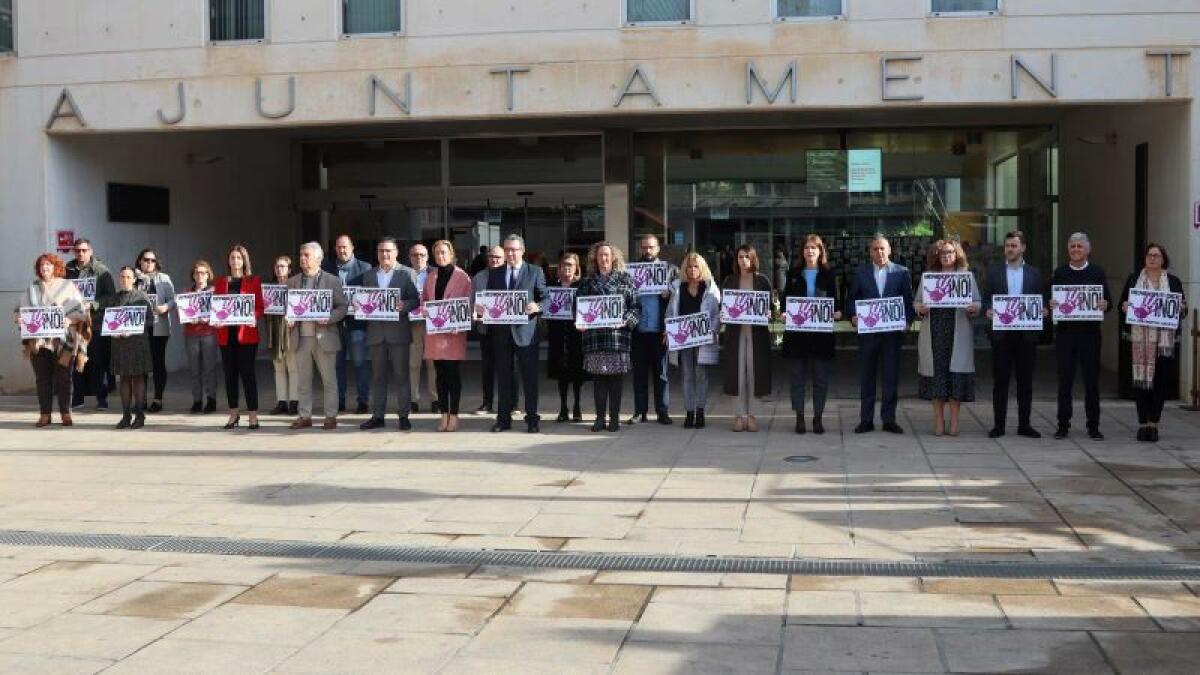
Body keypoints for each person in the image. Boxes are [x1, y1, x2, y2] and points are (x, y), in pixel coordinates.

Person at [846, 235, 916, 434]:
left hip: (892, 335)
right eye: (875, 249)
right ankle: (866, 420)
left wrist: (908, 321)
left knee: (890, 378)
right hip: (868, 335)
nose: (880, 252)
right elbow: (852, 299)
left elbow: (908, 302)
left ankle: (889, 420)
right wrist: (853, 316)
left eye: (883, 248)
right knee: (867, 378)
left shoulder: (902, 272)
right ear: (870, 252)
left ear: (890, 250)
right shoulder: (861, 273)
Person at [1120, 243, 1187, 443]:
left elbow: (1181, 308)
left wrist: (1181, 307)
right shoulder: (1134, 280)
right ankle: (1142, 424)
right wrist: (1124, 306)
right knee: (1141, 383)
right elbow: (1122, 304)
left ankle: (1154, 424)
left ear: (1163, 259)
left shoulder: (1173, 282)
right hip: (1140, 341)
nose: (1152, 258)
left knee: (1160, 383)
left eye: (1156, 255)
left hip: (1163, 342)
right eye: (1149, 255)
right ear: (1145, 258)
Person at [914, 240, 981, 436]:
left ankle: (954, 423)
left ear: (957, 254)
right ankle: (938, 423)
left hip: (957, 332)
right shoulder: (929, 277)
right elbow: (917, 302)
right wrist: (920, 309)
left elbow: (977, 301)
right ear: (936, 256)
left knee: (955, 377)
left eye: (950, 252)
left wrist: (974, 308)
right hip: (934, 333)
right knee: (938, 377)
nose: (946, 255)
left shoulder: (966, 277)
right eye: (942, 253)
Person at [1049, 232, 1112, 440]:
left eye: (1079, 246)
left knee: (1092, 381)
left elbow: (1108, 302)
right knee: (1064, 381)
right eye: (1072, 246)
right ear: (1068, 249)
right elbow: (1050, 300)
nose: (1076, 249)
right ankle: (1062, 425)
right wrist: (1051, 304)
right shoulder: (1060, 272)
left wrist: (1105, 304)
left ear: (1088, 250)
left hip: (1090, 334)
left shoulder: (1097, 272)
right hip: (1066, 334)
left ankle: (1093, 426)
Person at [982, 230, 1044, 439]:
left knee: (1025, 381)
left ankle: (1024, 425)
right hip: (1002, 335)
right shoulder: (993, 272)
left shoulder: (1035, 273)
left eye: (1014, 246)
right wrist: (988, 310)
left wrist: (1043, 310)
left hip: (1026, 336)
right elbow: (985, 300)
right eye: (1007, 246)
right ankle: (998, 425)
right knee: (1001, 381)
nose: (1009, 249)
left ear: (1023, 248)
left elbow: (1040, 301)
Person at [14, 253, 87, 427]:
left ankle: (65, 413)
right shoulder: (32, 288)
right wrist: (19, 319)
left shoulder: (67, 286)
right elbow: (19, 310)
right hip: (38, 343)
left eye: (48, 265)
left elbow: (81, 309)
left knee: (64, 378)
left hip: (64, 342)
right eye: (41, 266)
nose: (45, 268)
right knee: (42, 379)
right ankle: (45, 414)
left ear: (55, 267)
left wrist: (70, 319)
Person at [484, 234, 547, 433]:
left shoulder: (534, 271)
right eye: (507, 249)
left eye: (514, 249)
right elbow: (490, 300)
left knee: (529, 378)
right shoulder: (495, 273)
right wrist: (482, 307)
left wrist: (537, 306)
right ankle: (503, 419)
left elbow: (546, 298)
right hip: (501, 334)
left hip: (526, 333)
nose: (510, 253)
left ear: (522, 251)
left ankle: (532, 419)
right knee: (503, 377)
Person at [578, 241, 641, 433]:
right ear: (594, 259)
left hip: (617, 336)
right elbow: (579, 307)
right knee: (599, 380)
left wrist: (625, 321)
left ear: (613, 257)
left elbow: (636, 308)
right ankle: (599, 419)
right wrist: (580, 322)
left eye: (607, 255)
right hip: (595, 337)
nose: (603, 258)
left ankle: (614, 418)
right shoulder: (587, 281)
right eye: (600, 255)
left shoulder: (625, 279)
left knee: (615, 380)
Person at [359, 237, 420, 431]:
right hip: (376, 333)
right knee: (378, 377)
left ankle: (403, 415)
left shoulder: (407, 273)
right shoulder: (368, 275)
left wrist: (405, 306)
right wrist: (359, 305)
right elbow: (365, 300)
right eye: (380, 251)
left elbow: (415, 299)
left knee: (402, 376)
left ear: (396, 253)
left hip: (398, 332)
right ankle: (378, 415)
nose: (384, 254)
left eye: (388, 251)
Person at [781, 235, 840, 435]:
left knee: (821, 379)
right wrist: (783, 312)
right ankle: (799, 417)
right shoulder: (793, 273)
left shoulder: (829, 274)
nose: (810, 251)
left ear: (820, 251)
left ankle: (818, 418)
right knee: (797, 379)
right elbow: (785, 300)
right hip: (797, 335)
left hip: (821, 336)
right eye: (807, 248)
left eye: (814, 248)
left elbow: (836, 302)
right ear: (802, 252)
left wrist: (838, 312)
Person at [288, 242, 349, 430]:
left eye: (306, 255)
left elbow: (343, 306)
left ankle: (331, 416)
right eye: (301, 255)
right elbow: (288, 307)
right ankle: (304, 415)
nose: (302, 258)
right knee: (303, 380)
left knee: (329, 379)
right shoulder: (293, 281)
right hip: (301, 337)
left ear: (318, 258)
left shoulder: (332, 280)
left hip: (325, 337)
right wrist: (289, 318)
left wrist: (329, 318)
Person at [721, 244, 774, 432]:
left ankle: (752, 416)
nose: (743, 260)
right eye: (740, 257)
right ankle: (738, 416)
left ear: (753, 259)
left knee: (754, 373)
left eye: (747, 257)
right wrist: (723, 314)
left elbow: (772, 308)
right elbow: (724, 306)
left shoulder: (762, 281)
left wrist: (769, 313)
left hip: (756, 334)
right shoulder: (729, 280)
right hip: (735, 334)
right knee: (737, 374)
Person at [666, 252, 721, 429]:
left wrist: (711, 330)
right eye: (689, 266)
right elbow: (670, 313)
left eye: (696, 266)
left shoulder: (710, 288)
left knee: (701, 376)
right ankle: (689, 413)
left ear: (702, 268)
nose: (692, 269)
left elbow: (717, 314)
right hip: (684, 339)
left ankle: (700, 412)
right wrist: (668, 331)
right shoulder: (677, 288)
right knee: (687, 376)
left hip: (702, 339)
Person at [214, 244, 265, 430]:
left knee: (248, 375)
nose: (235, 261)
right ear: (228, 260)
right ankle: (233, 414)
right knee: (229, 376)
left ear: (244, 261)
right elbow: (216, 307)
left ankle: (253, 415)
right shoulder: (220, 282)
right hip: (226, 335)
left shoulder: (253, 281)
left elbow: (260, 307)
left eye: (238, 258)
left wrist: (254, 317)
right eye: (232, 257)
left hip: (247, 335)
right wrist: (216, 319)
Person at [424, 240, 473, 432]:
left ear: (451, 254)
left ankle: (454, 415)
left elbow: (467, 305)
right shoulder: (431, 276)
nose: (440, 256)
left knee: (452, 375)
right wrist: (425, 310)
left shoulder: (463, 277)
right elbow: (425, 301)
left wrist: (459, 324)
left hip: (453, 334)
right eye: (437, 254)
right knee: (440, 376)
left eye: (443, 253)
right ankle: (443, 414)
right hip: (435, 334)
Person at [629, 234, 678, 425]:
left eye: (651, 247)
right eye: (644, 247)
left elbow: (679, 292)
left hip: (660, 331)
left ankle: (662, 411)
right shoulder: (631, 271)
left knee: (662, 374)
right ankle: (639, 411)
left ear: (658, 249)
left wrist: (670, 292)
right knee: (639, 374)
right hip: (639, 330)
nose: (647, 251)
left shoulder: (669, 270)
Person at [323, 234, 372, 414]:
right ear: (335, 249)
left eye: (345, 247)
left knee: (359, 363)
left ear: (352, 248)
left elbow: (371, 295)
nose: (342, 250)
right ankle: (340, 401)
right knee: (337, 365)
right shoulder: (326, 268)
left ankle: (363, 401)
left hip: (356, 324)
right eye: (338, 247)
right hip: (334, 324)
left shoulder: (365, 268)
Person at [100, 266, 154, 429]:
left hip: (137, 343)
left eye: (128, 277)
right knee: (123, 379)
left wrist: (133, 329)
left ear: (134, 279)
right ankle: (125, 415)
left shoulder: (141, 296)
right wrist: (112, 332)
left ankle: (139, 414)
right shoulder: (114, 298)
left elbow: (150, 320)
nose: (125, 280)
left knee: (137, 378)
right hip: (119, 344)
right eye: (122, 277)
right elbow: (107, 320)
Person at [66, 238, 116, 409]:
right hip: (74, 323)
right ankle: (78, 398)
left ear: (91, 251)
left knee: (97, 361)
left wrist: (92, 304)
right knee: (74, 361)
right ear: (74, 251)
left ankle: (101, 399)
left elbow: (111, 296)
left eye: (84, 250)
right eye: (78, 250)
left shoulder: (102, 271)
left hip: (95, 323)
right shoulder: (68, 270)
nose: (81, 253)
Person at [133, 248, 175, 413]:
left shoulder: (164, 278)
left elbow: (173, 299)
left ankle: (158, 399)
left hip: (159, 326)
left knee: (158, 363)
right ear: (140, 261)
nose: (149, 263)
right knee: (141, 364)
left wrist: (166, 306)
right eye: (146, 260)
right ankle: (141, 399)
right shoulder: (133, 278)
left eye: (152, 260)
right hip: (139, 327)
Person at [547, 252, 587, 423]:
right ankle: (563, 408)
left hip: (576, 335)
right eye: (564, 265)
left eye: (571, 265)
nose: (567, 268)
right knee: (561, 374)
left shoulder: (582, 285)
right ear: (560, 267)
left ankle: (577, 406)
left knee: (577, 373)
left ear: (576, 267)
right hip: (557, 334)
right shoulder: (551, 285)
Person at [182, 260, 219, 414]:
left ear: (208, 274)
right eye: (197, 273)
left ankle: (211, 399)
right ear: (193, 275)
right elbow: (181, 312)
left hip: (208, 334)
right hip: (191, 334)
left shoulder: (214, 292)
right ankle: (197, 400)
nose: (200, 275)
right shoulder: (186, 293)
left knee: (210, 368)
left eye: (203, 272)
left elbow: (219, 311)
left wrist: (208, 318)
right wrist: (189, 318)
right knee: (194, 369)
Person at [472, 246, 506, 414]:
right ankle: (487, 402)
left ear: (504, 258)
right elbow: (471, 301)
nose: (494, 260)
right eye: (492, 256)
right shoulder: (478, 277)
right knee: (487, 367)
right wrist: (474, 310)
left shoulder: (510, 275)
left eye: (498, 257)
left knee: (508, 367)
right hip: (485, 328)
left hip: (507, 330)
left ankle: (511, 403)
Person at [265, 256, 299, 416]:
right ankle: (281, 402)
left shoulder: (296, 286)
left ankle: (294, 401)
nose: (279, 269)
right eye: (277, 266)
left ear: (290, 269)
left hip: (291, 331)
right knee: (278, 368)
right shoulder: (269, 288)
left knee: (293, 368)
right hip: (275, 331)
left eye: (283, 266)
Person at [408, 243, 439, 413]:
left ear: (428, 257)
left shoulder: (436, 273)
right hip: (412, 325)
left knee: (432, 364)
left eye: (422, 255)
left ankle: (435, 399)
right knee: (413, 364)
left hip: (431, 325)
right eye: (414, 255)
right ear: (409, 257)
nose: (418, 258)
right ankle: (413, 399)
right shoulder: (403, 274)